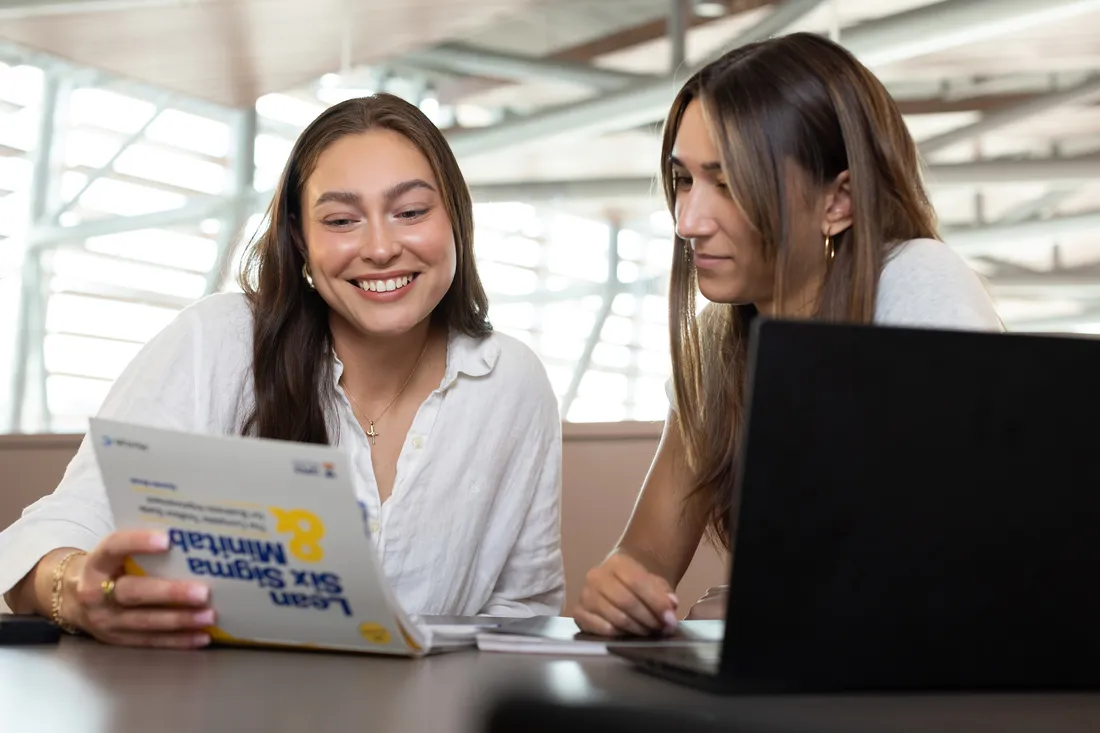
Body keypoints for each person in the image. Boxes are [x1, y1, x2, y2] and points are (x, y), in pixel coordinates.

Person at [0, 94, 565, 648]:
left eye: (411, 212)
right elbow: (57, 530)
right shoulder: (219, 341)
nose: (380, 247)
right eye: (341, 220)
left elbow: (522, 617)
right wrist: (74, 590)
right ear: (301, 239)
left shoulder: (513, 383)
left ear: (456, 221)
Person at [575, 32, 1004, 637]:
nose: (687, 221)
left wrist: (768, 607)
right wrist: (619, 591)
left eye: (726, 183)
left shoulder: (915, 283)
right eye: (684, 180)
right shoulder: (716, 344)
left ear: (839, 200)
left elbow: (964, 564)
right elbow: (645, 558)